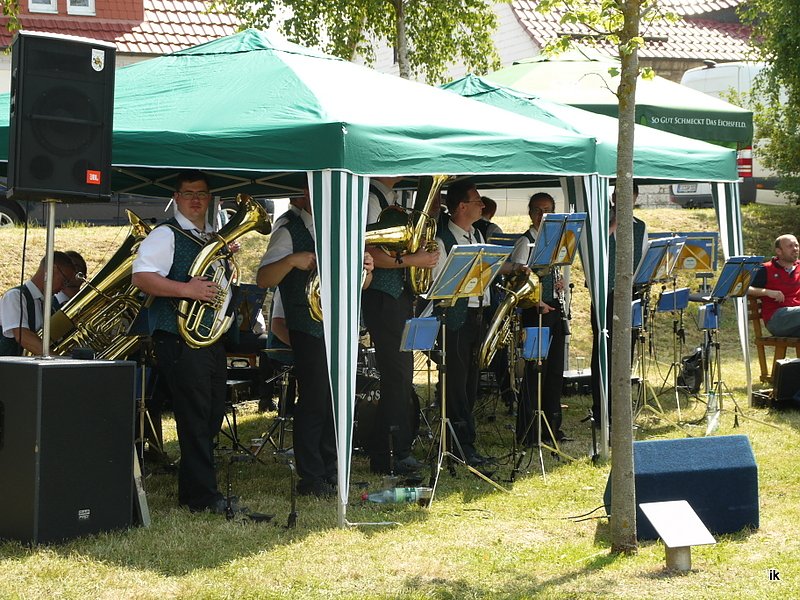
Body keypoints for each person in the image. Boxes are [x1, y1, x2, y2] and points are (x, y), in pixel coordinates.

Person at [257, 186, 374, 496]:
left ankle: (333, 471)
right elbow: (263, 279)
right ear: (301, 196)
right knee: (314, 401)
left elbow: (361, 284)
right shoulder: (287, 228)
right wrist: (292, 260)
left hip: (339, 325)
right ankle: (311, 477)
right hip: (307, 327)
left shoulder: (337, 229)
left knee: (336, 401)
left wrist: (367, 269)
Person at [131, 170, 234, 515]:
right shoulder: (165, 235)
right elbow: (142, 277)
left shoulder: (208, 236)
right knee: (195, 416)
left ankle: (194, 489)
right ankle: (202, 497)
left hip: (209, 338)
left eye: (201, 194)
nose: (195, 199)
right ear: (176, 197)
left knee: (211, 412)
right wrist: (186, 289)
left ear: (209, 199)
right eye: (188, 193)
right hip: (179, 338)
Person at [362, 177, 439, 475]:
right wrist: (413, 259)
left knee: (402, 375)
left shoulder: (388, 197)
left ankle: (388, 449)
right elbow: (368, 250)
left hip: (398, 295)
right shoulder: (370, 199)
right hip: (383, 296)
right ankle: (391, 453)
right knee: (397, 375)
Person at [429, 180, 494, 465]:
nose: (483, 205)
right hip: (455, 319)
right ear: (463, 206)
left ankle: (465, 440)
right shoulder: (443, 240)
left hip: (477, 315)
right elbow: (439, 284)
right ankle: (459, 444)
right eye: (478, 201)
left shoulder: (476, 234)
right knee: (455, 384)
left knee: (470, 382)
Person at [510, 192, 569, 445]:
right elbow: (518, 281)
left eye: (547, 210)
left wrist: (560, 288)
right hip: (535, 312)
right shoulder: (526, 243)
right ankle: (529, 430)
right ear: (530, 212)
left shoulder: (555, 240)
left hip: (554, 309)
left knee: (555, 372)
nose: (542, 215)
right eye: (537, 210)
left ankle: (552, 427)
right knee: (535, 373)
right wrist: (538, 301)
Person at [590, 183, 648, 430]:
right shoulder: (599, 222)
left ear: (635, 198)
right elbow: (592, 247)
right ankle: (601, 411)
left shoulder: (640, 226)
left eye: (628, 196)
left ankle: (621, 412)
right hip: (605, 294)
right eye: (618, 196)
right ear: (612, 198)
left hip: (631, 294)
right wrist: (614, 225)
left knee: (627, 351)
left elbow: (644, 259)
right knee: (603, 352)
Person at [0, 251, 76, 356]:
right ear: (52, 269)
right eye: (64, 281)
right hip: (10, 371)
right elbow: (23, 336)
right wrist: (59, 361)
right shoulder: (15, 296)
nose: (64, 287)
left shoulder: (51, 304)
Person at [748, 234, 800, 336]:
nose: (795, 249)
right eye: (790, 246)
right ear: (778, 251)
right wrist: (766, 292)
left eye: (796, 245)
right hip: (777, 319)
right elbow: (742, 287)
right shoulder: (765, 269)